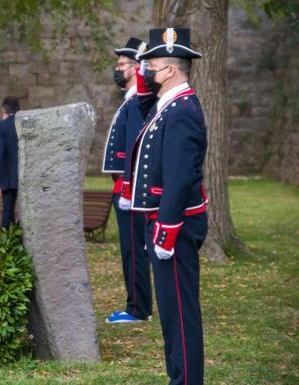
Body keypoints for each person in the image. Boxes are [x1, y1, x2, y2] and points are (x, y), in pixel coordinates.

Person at [122, 27, 209, 385]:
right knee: (171, 314)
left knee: (180, 314)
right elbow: (143, 102)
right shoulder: (168, 105)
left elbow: (178, 177)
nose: (146, 71)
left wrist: (166, 230)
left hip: (173, 225)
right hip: (162, 222)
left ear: (171, 70)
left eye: (152, 65)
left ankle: (186, 380)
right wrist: (145, 72)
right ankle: (179, 376)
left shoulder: (183, 110)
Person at [102, 37, 153, 324]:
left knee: (133, 250)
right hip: (125, 188)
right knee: (131, 249)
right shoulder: (131, 101)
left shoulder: (136, 103)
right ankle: (138, 305)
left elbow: (135, 147)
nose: (117, 68)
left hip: (129, 192)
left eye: (122, 64)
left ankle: (138, 309)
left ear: (136, 69)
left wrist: (127, 186)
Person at [0, 96, 20, 228]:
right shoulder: (24, 123)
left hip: (9, 177)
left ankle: (6, 244)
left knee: (7, 212)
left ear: (4, 110)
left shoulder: (1, 126)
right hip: (26, 174)